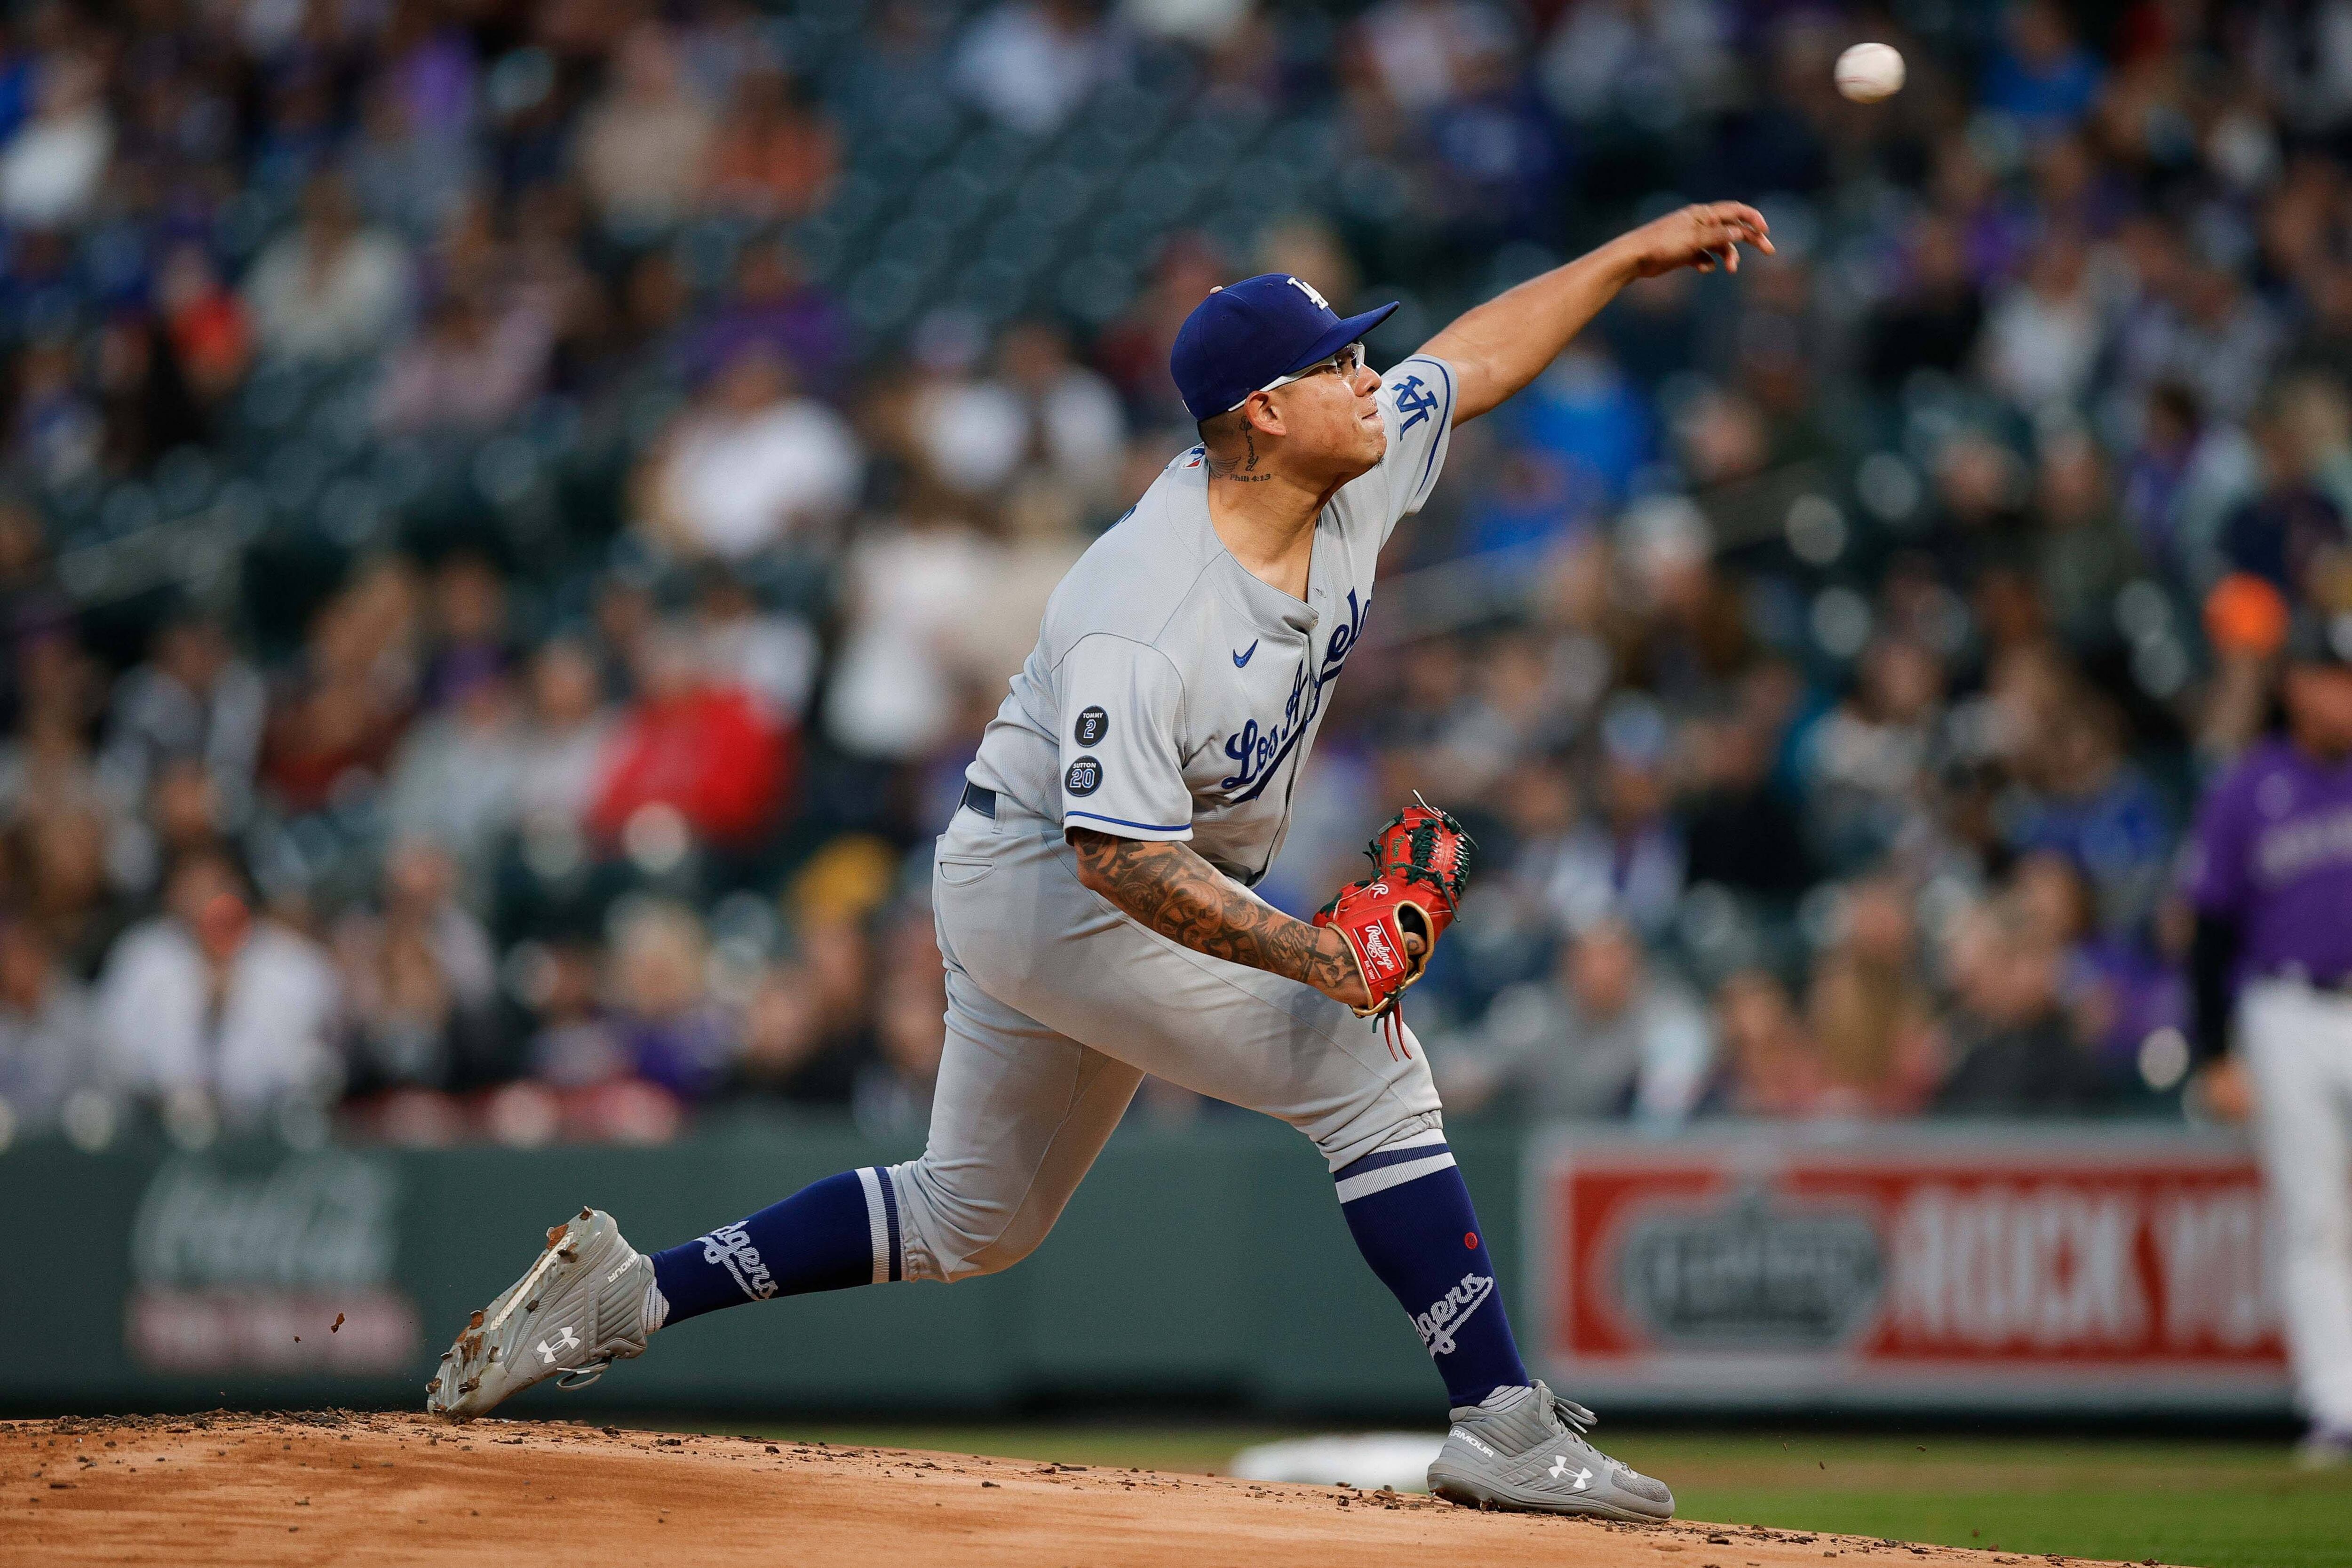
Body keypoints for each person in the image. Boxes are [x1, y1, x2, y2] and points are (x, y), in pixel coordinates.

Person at [426, 199, 1774, 1515]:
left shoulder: (1341, 471)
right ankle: (1502, 1420)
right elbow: (1120, 861)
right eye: (1339, 364)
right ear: (1259, 411)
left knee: (976, 1217)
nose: (1373, 379)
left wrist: (1629, 253)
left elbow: (1472, 359)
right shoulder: (1149, 606)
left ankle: (635, 1288)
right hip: (1053, 880)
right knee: (1363, 1065)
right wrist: (1323, 956)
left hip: (1071, 872)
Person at [2184, 611, 2352, 1467]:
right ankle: (2336, 1404)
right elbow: (2207, 930)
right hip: (2284, 1009)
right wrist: (2213, 1050)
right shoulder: (2252, 785)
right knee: (2313, 1214)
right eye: (2331, 676)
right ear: (2295, 685)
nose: (2344, 693)